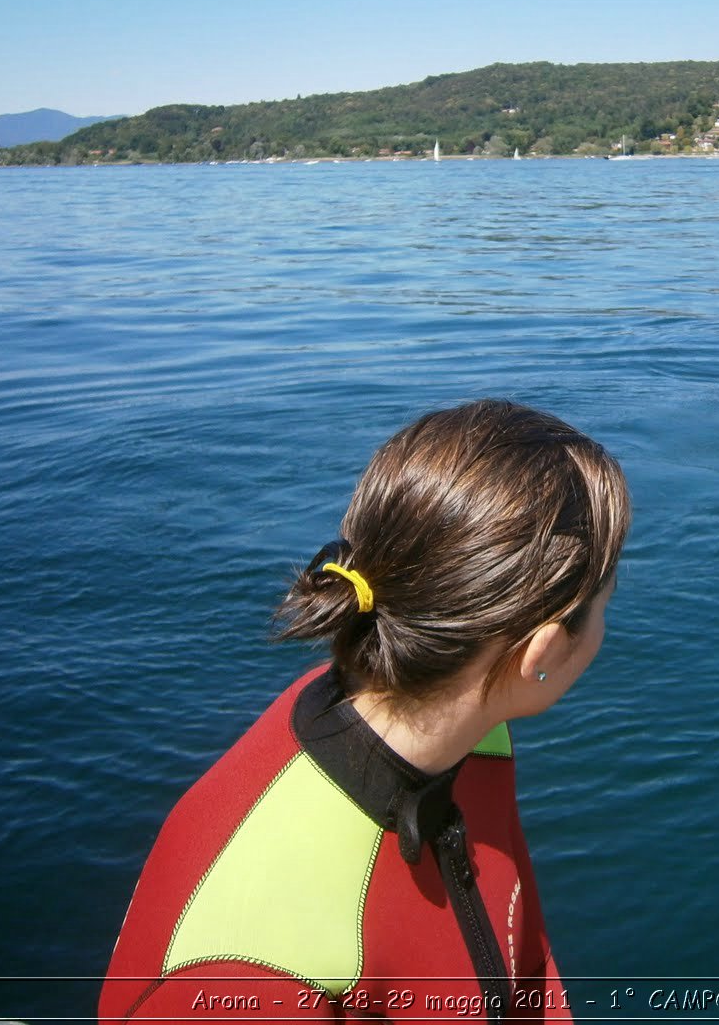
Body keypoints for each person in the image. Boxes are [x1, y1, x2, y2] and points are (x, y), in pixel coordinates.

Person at [99, 400, 630, 1025]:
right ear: (539, 651)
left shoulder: (469, 728)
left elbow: (528, 977)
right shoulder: (242, 982)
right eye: (605, 602)